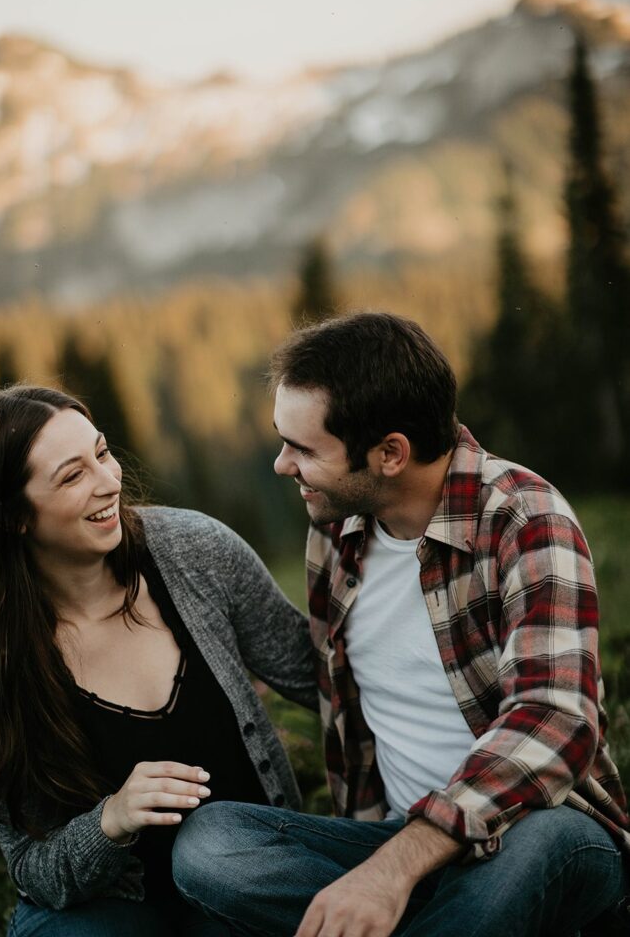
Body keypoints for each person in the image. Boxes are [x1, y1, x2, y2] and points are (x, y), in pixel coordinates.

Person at [174, 312, 630, 937]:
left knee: (536, 846)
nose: (283, 465)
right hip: (391, 839)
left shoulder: (523, 519)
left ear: (390, 453)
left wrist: (394, 869)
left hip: (538, 829)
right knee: (212, 843)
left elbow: (555, 721)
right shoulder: (335, 530)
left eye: (303, 448)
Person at [0, 384, 317, 937]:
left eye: (102, 452)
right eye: (72, 476)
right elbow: (33, 869)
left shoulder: (195, 551)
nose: (108, 481)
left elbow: (325, 676)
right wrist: (110, 820)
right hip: (107, 908)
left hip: (237, 879)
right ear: (13, 517)